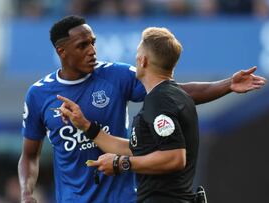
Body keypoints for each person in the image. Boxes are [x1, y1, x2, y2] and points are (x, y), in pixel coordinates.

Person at [18, 15, 266, 203]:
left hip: (124, 197)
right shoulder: (39, 95)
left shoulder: (115, 75)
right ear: (61, 51)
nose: (92, 51)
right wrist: (26, 192)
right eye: (83, 45)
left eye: (93, 43)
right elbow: (30, 155)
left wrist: (227, 85)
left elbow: (173, 92)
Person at [57, 26, 201, 203]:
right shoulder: (175, 96)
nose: (135, 58)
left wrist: (121, 163)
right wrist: (86, 126)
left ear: (143, 61)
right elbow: (136, 149)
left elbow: (174, 157)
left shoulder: (159, 100)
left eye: (138, 53)